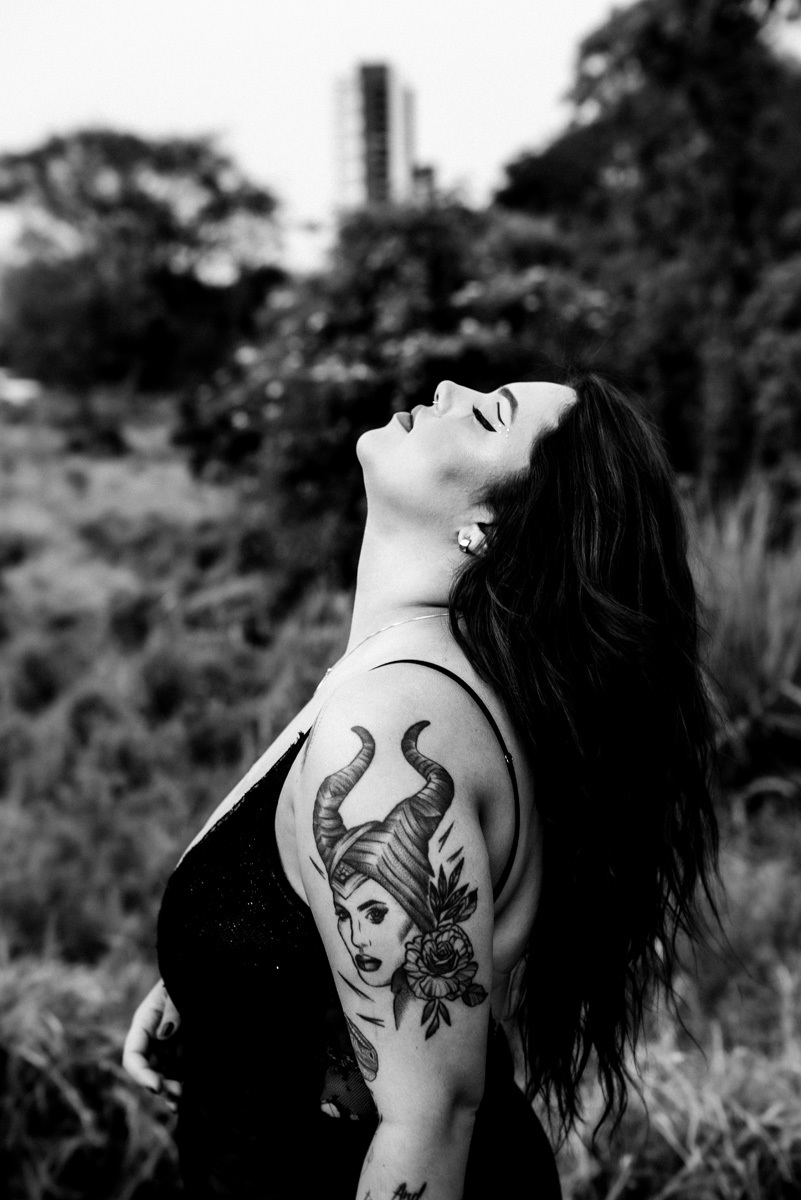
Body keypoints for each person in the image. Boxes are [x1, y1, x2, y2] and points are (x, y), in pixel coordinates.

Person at [123, 373, 719, 1199]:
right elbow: (316, 905)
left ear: (491, 526)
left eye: (487, 415)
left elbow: (428, 1121)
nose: (446, 387)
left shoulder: (397, 725)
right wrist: (219, 976)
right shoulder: (418, 675)